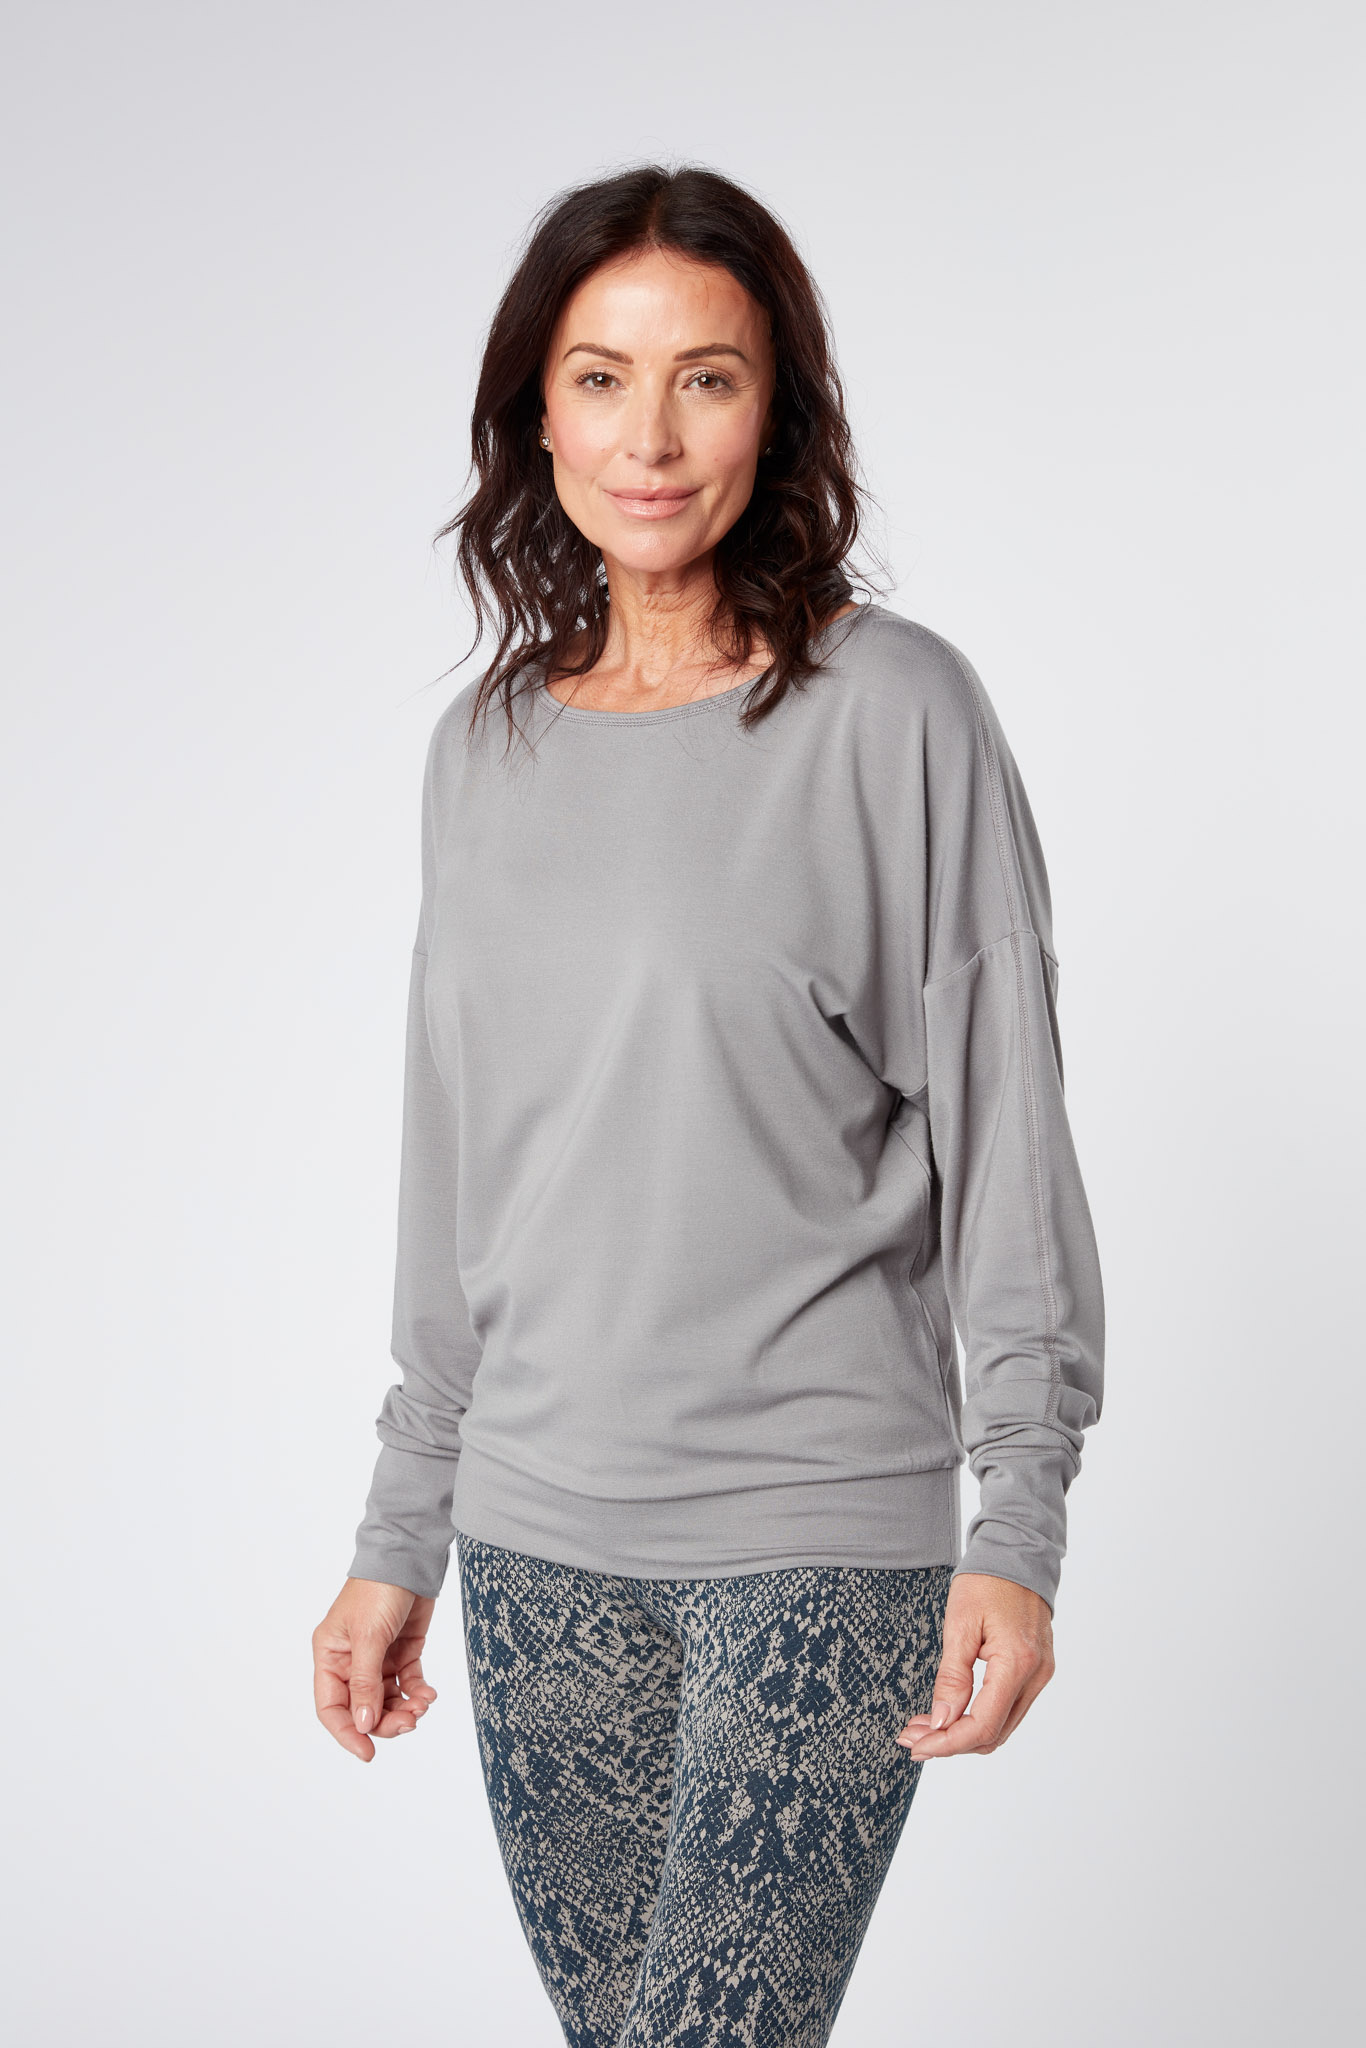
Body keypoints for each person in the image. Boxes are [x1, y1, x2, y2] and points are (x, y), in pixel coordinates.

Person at [311, 161, 1105, 2048]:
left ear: (779, 412)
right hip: (533, 1548)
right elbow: (461, 1170)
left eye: (707, 380)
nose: (648, 440)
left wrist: (1015, 1525)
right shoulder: (483, 746)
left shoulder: (892, 712)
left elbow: (1007, 1136)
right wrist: (399, 1528)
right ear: (535, 413)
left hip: (815, 1535)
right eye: (599, 379)